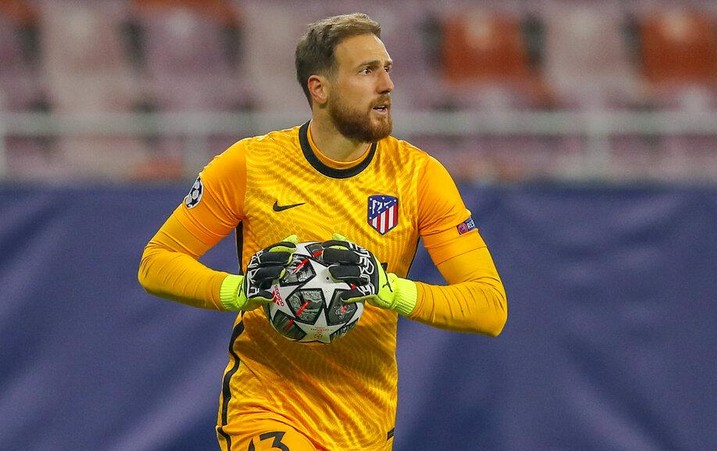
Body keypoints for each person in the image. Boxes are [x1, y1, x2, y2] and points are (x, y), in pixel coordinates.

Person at [138, 12, 507, 451]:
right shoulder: (250, 165)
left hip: (363, 424)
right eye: (367, 71)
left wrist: (387, 290)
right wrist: (239, 291)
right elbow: (156, 263)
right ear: (320, 88)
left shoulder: (419, 177)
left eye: (387, 69)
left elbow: (489, 306)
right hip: (266, 408)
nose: (387, 85)